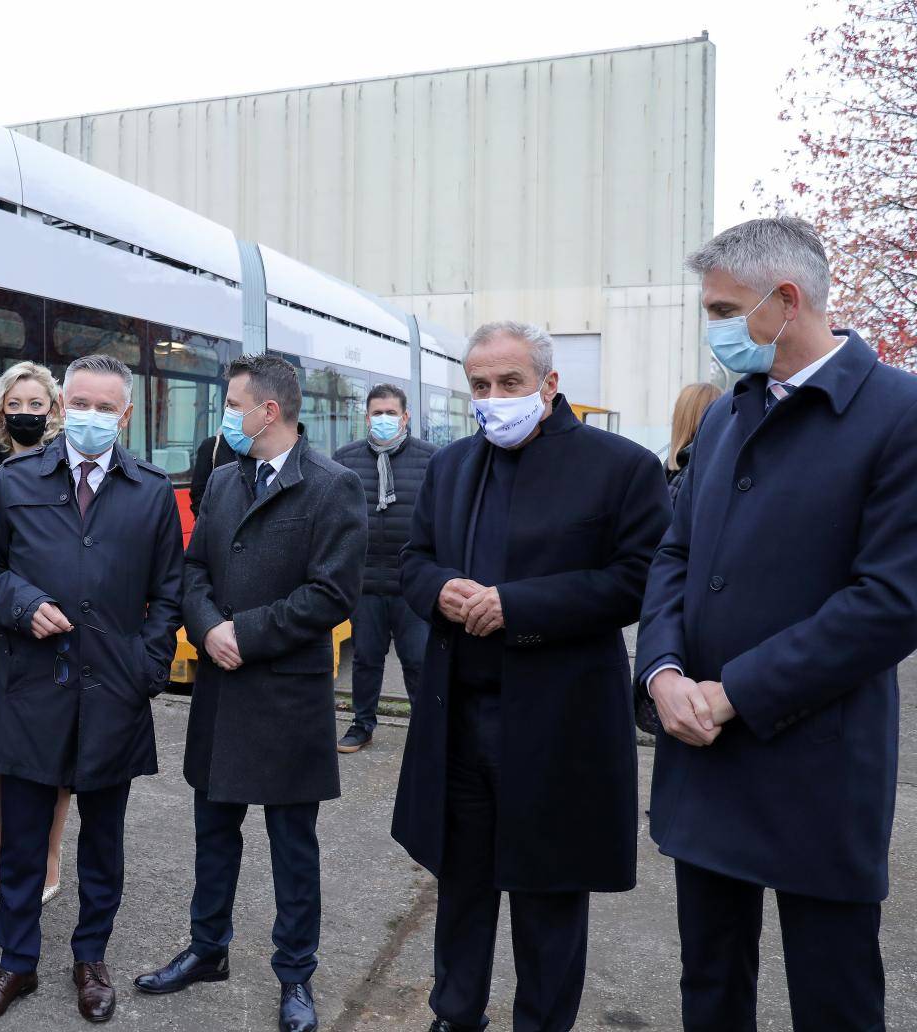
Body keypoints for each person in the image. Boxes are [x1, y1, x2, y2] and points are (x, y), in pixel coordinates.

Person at [637, 217, 917, 1031]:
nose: (713, 328)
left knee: (834, 999)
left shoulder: (898, 413)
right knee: (710, 986)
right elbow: (674, 557)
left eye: (724, 309)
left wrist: (732, 694)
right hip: (705, 758)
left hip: (817, 771)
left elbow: (890, 601)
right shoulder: (728, 417)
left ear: (786, 301)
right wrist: (661, 673)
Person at [393, 321, 670, 1032]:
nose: (493, 398)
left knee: (549, 898)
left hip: (558, 724)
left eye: (509, 383)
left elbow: (641, 580)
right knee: (460, 888)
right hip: (460, 719)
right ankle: (455, 1014)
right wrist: (440, 590)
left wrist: (516, 607)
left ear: (549, 384)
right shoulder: (453, 465)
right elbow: (414, 559)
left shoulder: (621, 467)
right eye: (479, 385)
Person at [136, 354, 365, 1032]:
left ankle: (296, 975)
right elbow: (195, 568)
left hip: (287, 695)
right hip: (222, 690)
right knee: (213, 833)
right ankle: (209, 950)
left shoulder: (332, 486)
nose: (225, 417)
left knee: (293, 845)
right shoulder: (225, 482)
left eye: (233, 404)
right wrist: (207, 629)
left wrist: (247, 633)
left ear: (269, 411)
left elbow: (331, 592)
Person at [0, 353, 184, 1027]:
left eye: (103, 407)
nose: (88, 416)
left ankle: (91, 958)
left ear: (127, 415)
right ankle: (15, 964)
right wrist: (20, 601)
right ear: (62, 410)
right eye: (77, 403)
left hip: (114, 695)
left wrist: (146, 669)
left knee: (103, 844)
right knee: (22, 843)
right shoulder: (17, 479)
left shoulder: (149, 492)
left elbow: (168, 594)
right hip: (31, 690)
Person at [0, 361, 72, 904]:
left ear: (53, 409)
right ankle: (6, 853)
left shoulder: (67, 461)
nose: (25, 413)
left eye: (36, 404)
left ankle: (49, 852)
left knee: (56, 757)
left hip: (56, 625)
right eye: (15, 403)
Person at [331, 383, 438, 750]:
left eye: (391, 413)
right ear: (366, 418)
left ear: (406, 417)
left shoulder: (431, 459)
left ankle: (429, 729)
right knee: (366, 660)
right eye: (377, 413)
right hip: (365, 584)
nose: (384, 419)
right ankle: (362, 725)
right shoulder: (345, 459)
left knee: (419, 661)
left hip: (413, 584)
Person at [187, 431, 234, 517]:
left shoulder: (256, 449)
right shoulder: (212, 445)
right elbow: (198, 491)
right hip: (217, 523)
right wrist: (206, 523)